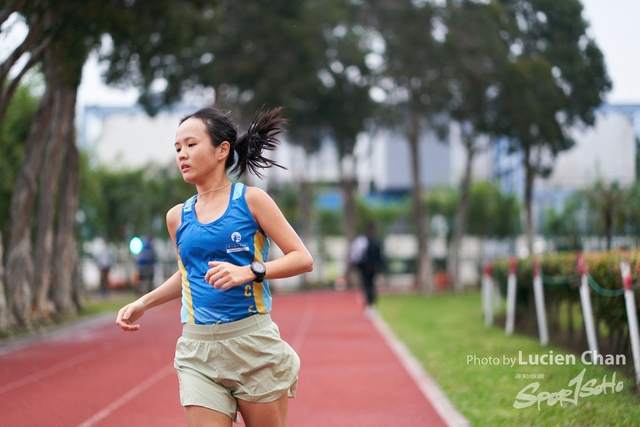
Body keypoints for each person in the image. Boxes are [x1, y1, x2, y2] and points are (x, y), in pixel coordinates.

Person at [115, 106, 313, 427]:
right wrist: (143, 303)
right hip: (197, 350)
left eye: (191, 145)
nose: (182, 154)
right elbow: (187, 274)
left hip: (253, 345)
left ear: (222, 150)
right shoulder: (177, 216)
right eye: (177, 148)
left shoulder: (251, 201)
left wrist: (250, 271)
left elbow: (302, 258)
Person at [349, 222, 385, 318]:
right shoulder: (370, 241)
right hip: (369, 268)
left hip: (366, 268)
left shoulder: (363, 241)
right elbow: (380, 257)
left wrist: (354, 265)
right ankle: (371, 305)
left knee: (368, 286)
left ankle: (370, 306)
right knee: (370, 286)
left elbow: (355, 255)